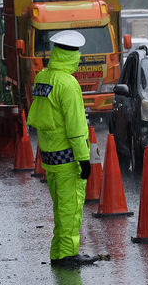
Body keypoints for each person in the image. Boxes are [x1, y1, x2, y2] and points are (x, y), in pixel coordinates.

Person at [27, 30, 95, 269]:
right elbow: (76, 127)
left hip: (49, 156)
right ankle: (68, 255)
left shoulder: (42, 77)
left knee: (59, 206)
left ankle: (58, 252)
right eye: (77, 54)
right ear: (72, 56)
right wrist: (84, 159)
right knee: (71, 206)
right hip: (68, 158)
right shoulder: (69, 84)